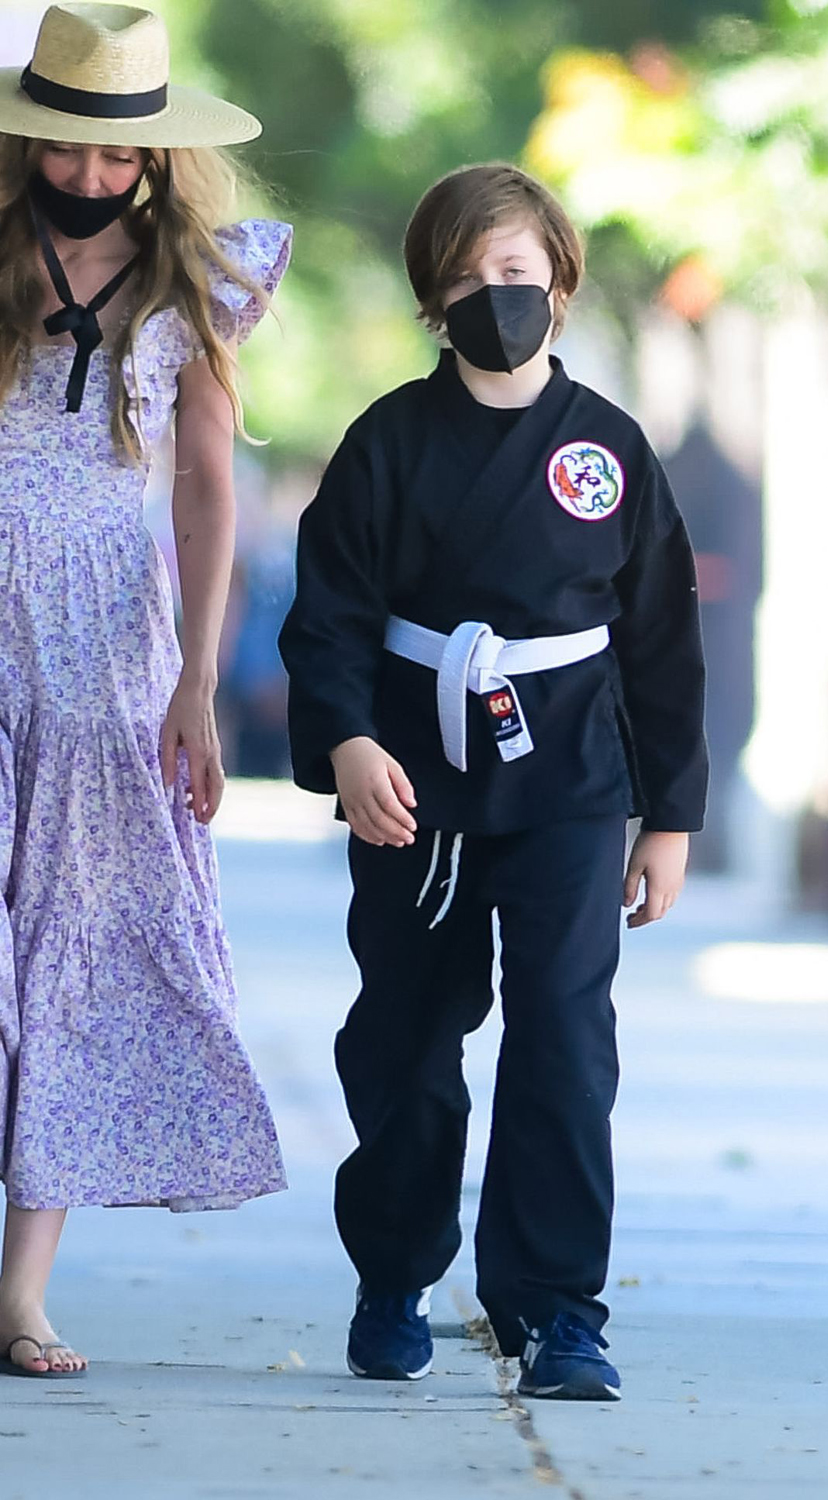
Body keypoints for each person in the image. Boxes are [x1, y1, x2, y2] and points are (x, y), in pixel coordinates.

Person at [279, 163, 707, 1402]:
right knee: (410, 1033)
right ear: (432, 302)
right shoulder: (386, 446)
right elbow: (330, 619)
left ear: (559, 284)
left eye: (514, 273)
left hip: (571, 775)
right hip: (416, 778)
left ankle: (559, 1310)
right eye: (466, 279)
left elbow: (663, 641)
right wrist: (350, 744)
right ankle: (395, 1272)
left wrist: (665, 814)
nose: (493, 297)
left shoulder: (611, 451)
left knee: (567, 1039)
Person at [0, 4, 290, 1378]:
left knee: (82, 947)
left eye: (123, 155)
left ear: (161, 156)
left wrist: (196, 685)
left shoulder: (199, 283)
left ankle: (23, 1293)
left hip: (112, 645)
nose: (96, 174)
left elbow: (208, 487)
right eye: (71, 145)